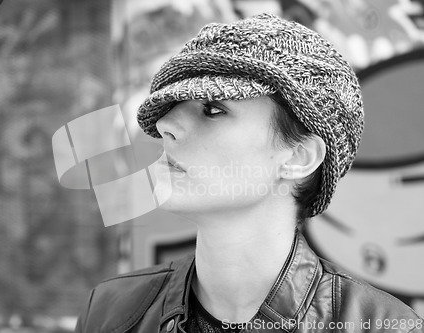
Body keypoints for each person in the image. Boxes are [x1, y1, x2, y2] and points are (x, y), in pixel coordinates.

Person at [75, 13, 424, 333]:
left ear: (299, 157)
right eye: (173, 107)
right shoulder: (110, 312)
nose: (165, 125)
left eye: (213, 110)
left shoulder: (384, 326)